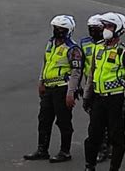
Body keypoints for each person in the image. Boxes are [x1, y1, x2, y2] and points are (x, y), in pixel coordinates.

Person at [24, 15, 83, 163]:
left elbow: (76, 72)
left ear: (68, 30)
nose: (57, 31)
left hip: (62, 88)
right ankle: (42, 149)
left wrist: (71, 93)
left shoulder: (72, 49)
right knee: (44, 120)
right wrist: (41, 81)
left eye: (61, 29)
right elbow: (46, 63)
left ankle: (65, 151)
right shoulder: (51, 44)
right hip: (48, 88)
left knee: (63, 121)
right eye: (55, 28)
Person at [83, 12, 125, 171]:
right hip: (98, 99)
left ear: (118, 29)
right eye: (105, 26)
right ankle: (89, 166)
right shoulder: (98, 48)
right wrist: (87, 96)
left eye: (109, 26)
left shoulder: (124, 51)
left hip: (116, 99)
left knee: (117, 139)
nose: (106, 29)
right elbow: (92, 74)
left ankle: (114, 168)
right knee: (93, 136)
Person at [80, 15, 112, 163]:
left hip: (107, 88)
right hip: (90, 86)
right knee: (95, 121)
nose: (93, 32)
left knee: (108, 121)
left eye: (96, 29)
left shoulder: (109, 43)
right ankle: (101, 147)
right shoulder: (84, 43)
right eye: (91, 29)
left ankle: (107, 146)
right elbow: (80, 66)